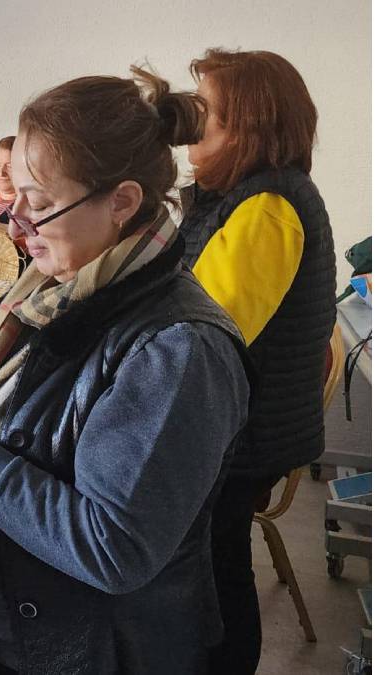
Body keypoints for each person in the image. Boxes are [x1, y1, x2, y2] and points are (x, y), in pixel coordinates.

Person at [0, 68, 252, 674]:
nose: (17, 228)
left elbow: (112, 547)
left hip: (81, 650)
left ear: (121, 201)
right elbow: (36, 380)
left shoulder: (178, 351)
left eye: (38, 206)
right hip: (0, 618)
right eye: (14, 200)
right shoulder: (64, 284)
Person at [178, 48, 336, 675]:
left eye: (205, 116)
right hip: (242, 427)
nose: (191, 129)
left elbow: (200, 333)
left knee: (215, 570)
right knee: (213, 563)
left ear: (248, 131)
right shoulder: (237, 197)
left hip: (243, 438)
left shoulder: (268, 207)